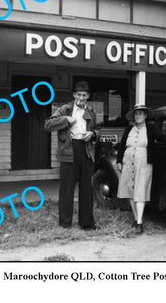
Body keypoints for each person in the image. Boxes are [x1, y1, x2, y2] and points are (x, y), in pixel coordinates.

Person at [44, 81, 100, 230]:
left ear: (87, 96)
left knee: (86, 189)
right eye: (78, 94)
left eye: (84, 95)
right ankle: (65, 223)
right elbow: (48, 124)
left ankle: (87, 223)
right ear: (74, 95)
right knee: (67, 189)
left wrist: (92, 134)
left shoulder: (92, 111)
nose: (81, 97)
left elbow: (99, 129)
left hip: (86, 149)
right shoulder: (66, 109)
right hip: (69, 150)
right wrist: (66, 120)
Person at [116, 104, 166, 234]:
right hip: (128, 162)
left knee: (140, 190)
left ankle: (139, 221)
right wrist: (118, 161)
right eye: (136, 114)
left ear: (145, 116)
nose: (138, 116)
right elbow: (122, 146)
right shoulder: (129, 129)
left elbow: (162, 136)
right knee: (130, 190)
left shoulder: (151, 129)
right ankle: (135, 218)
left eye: (141, 113)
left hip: (143, 162)